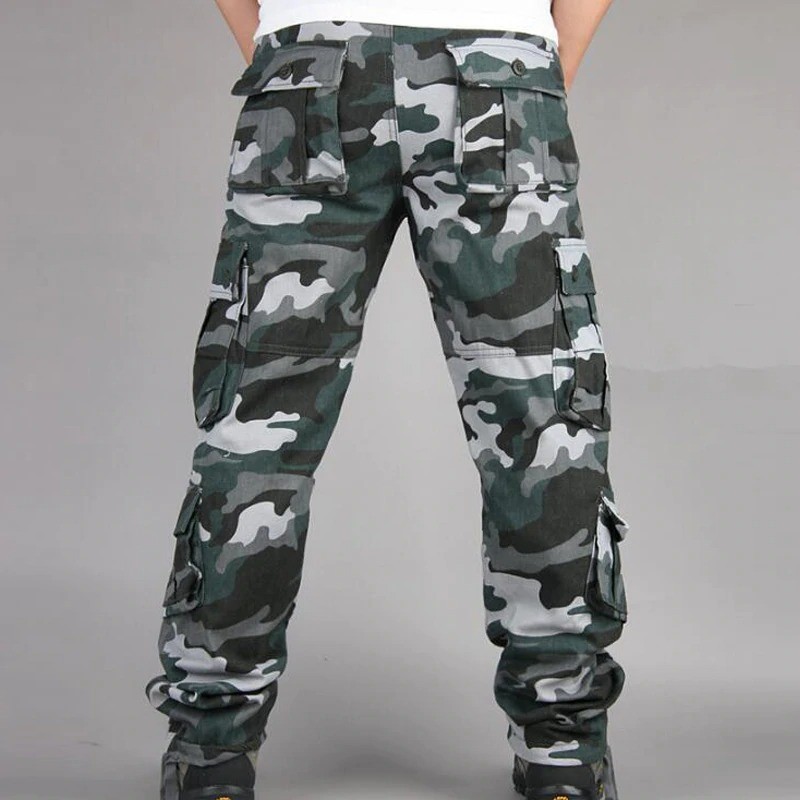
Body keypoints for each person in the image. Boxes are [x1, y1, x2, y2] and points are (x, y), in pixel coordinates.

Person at [143, 1, 629, 799]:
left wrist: (293, 42)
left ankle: (210, 758)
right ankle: (563, 752)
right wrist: (532, 60)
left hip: (311, 73)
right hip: (499, 71)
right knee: (542, 426)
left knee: (257, 431)